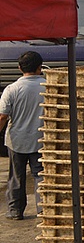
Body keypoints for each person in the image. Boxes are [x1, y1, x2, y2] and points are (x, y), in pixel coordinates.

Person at [0, 51, 45, 220]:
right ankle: (43, 209)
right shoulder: (48, 87)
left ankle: (15, 211)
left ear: (19, 68)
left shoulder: (11, 89)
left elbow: (3, 116)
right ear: (40, 68)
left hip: (16, 140)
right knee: (41, 175)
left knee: (16, 177)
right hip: (41, 140)